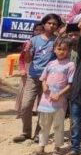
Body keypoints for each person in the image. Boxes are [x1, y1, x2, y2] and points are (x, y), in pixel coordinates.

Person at [15, 13, 60, 144]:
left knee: (44, 108)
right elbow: (28, 60)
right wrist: (27, 51)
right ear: (44, 24)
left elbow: (60, 56)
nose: (51, 26)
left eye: (54, 24)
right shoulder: (34, 40)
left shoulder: (57, 41)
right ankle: (26, 132)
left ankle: (38, 134)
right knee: (26, 105)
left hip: (48, 79)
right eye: (49, 23)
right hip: (33, 77)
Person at [27, 37, 74, 155]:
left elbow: (70, 84)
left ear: (69, 50)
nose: (61, 51)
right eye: (59, 49)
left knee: (58, 126)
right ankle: (41, 147)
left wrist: (59, 94)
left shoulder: (70, 65)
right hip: (45, 101)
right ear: (54, 50)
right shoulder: (50, 64)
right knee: (44, 125)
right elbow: (43, 79)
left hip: (60, 102)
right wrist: (44, 86)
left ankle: (57, 148)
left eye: (64, 49)